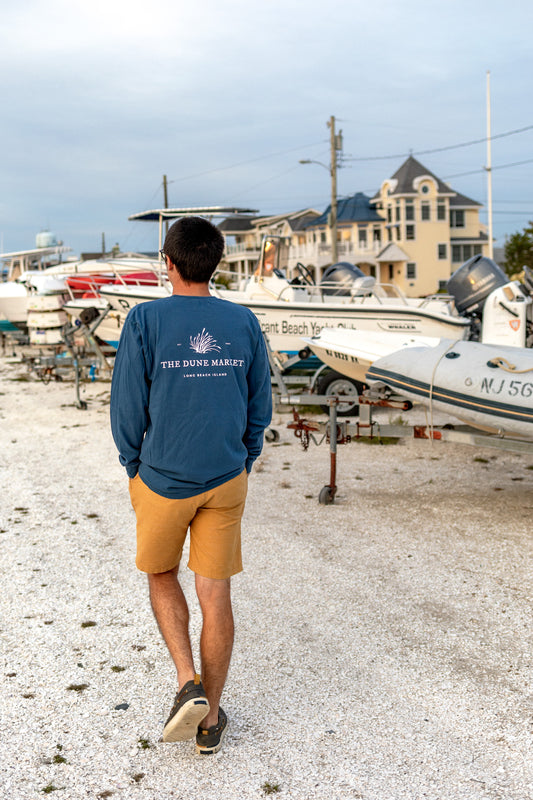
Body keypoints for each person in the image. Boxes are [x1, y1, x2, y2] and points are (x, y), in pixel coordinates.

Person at [110, 216, 272, 755]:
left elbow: (127, 407)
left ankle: (188, 683)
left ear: (169, 262)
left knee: (161, 574)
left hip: (163, 479)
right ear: (216, 262)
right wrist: (244, 458)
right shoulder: (244, 322)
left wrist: (133, 464)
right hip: (226, 478)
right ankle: (211, 720)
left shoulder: (144, 320)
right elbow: (259, 406)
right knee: (215, 591)